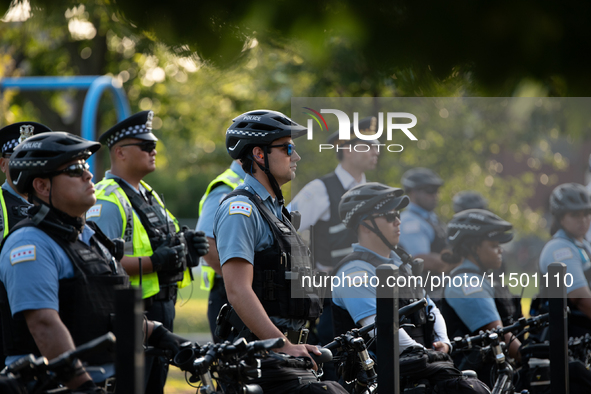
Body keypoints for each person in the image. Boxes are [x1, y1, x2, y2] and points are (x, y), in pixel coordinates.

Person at [0, 132, 187, 393]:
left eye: (86, 167)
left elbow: (103, 309)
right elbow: (44, 324)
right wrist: (84, 386)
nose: (88, 175)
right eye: (75, 169)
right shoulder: (30, 243)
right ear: (42, 186)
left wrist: (159, 333)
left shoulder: (89, 235)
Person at [213, 110, 345, 393]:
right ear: (259, 155)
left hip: (288, 354)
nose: (295, 156)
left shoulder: (277, 212)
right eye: (287, 148)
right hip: (263, 360)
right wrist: (284, 345)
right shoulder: (242, 210)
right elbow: (238, 290)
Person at [87, 111, 208, 394]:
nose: (153, 150)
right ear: (120, 152)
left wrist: (187, 249)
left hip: (160, 311)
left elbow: (166, 245)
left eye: (153, 145)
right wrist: (154, 262)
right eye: (145, 146)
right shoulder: (107, 199)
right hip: (133, 317)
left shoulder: (148, 195)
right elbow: (101, 264)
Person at [290, 116, 380, 378]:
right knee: (337, 375)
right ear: (347, 148)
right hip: (332, 305)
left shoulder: (372, 191)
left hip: (369, 296)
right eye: (369, 145)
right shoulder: (319, 189)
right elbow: (284, 231)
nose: (376, 150)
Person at [332, 182, 451, 354]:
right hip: (383, 378)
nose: (397, 221)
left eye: (398, 215)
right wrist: (424, 354)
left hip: (419, 368)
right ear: (365, 226)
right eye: (389, 216)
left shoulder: (400, 265)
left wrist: (443, 342)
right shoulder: (353, 273)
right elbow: (381, 330)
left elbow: (430, 308)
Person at [440, 209, 522, 387]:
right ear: (474, 248)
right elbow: (500, 335)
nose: (500, 250)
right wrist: (530, 358)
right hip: (480, 381)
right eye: (493, 245)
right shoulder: (467, 283)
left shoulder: (483, 279)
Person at [0, 121, 51, 370]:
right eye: (20, 156)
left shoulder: (55, 204)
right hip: (9, 330)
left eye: (36, 157)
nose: (28, 164)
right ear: (2, 164)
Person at [195, 159, 245, 342]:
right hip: (229, 296)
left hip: (240, 292)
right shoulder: (226, 188)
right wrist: (241, 282)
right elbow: (206, 243)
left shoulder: (251, 186)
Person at [538, 182, 591, 337]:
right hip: (566, 346)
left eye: (587, 213)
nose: (583, 220)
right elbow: (580, 298)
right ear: (560, 218)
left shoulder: (583, 245)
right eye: (575, 214)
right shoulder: (560, 249)